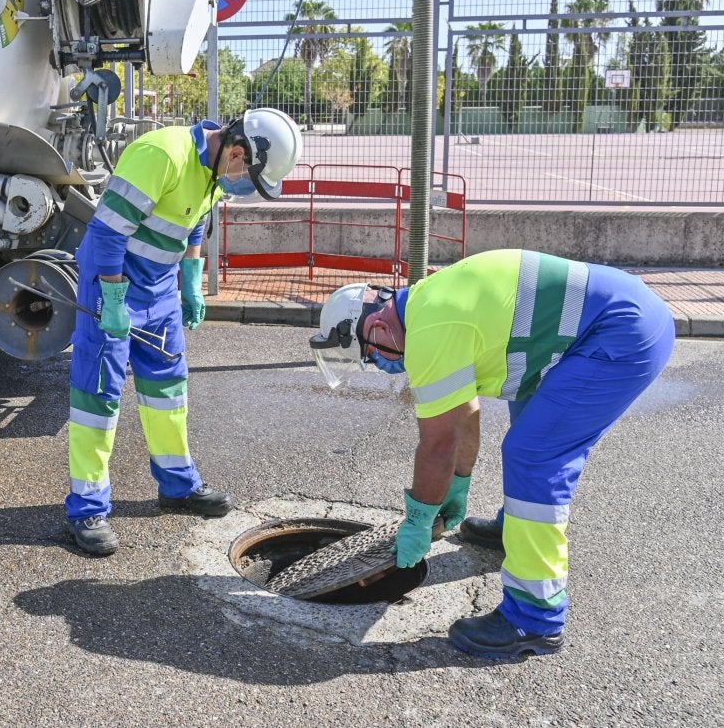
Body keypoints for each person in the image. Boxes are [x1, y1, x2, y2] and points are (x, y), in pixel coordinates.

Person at [321, 249, 674, 657]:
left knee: (535, 456)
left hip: (619, 334)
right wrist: (458, 485)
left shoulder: (430, 331)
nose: (379, 363)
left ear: (379, 324)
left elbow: (437, 444)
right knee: (530, 434)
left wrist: (419, 519)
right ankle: (516, 532)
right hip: (601, 326)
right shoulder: (426, 305)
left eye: (370, 353)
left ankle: (534, 618)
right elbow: (465, 412)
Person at [65, 108, 302, 556]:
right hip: (110, 284)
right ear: (236, 153)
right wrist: (113, 302)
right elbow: (107, 236)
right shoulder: (163, 154)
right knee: (98, 397)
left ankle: (177, 486)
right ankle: (87, 508)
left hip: (160, 291)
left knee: (168, 393)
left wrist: (190, 278)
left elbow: (195, 221)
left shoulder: (214, 173)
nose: (241, 189)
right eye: (247, 179)